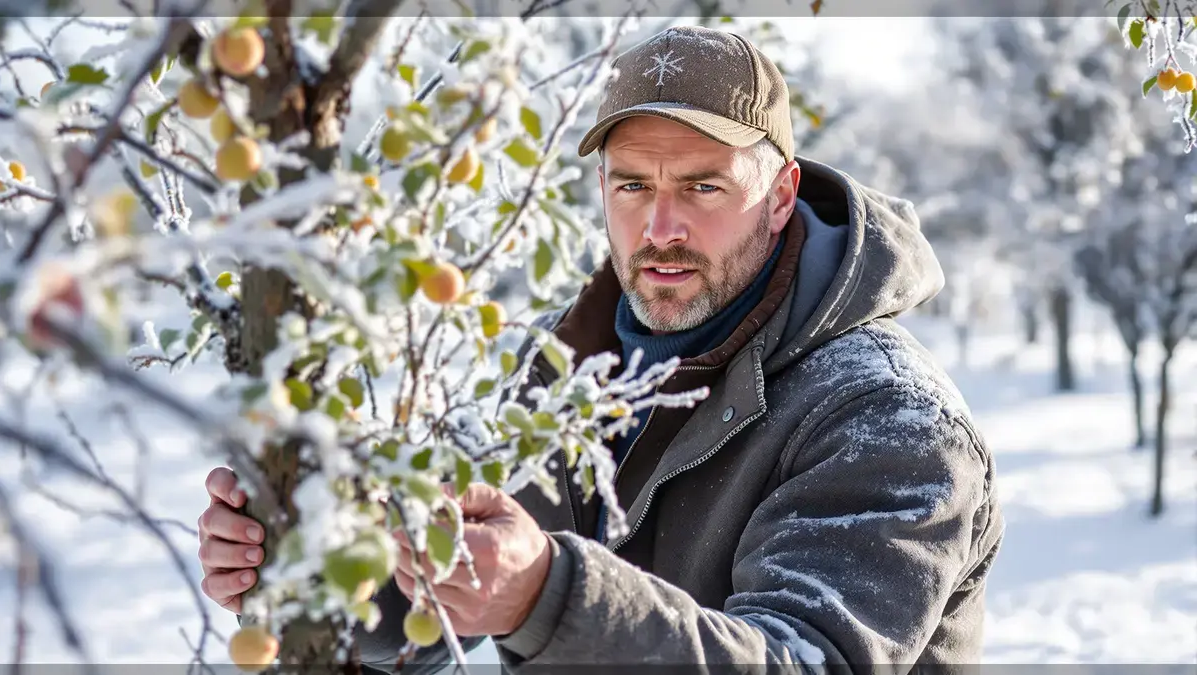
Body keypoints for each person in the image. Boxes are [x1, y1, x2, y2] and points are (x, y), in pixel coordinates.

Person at [198, 24, 1004, 671]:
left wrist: (547, 596)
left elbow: (803, 660)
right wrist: (317, 569)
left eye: (702, 186)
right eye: (633, 186)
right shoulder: (573, 367)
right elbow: (438, 608)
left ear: (781, 194)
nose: (660, 230)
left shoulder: (889, 421)